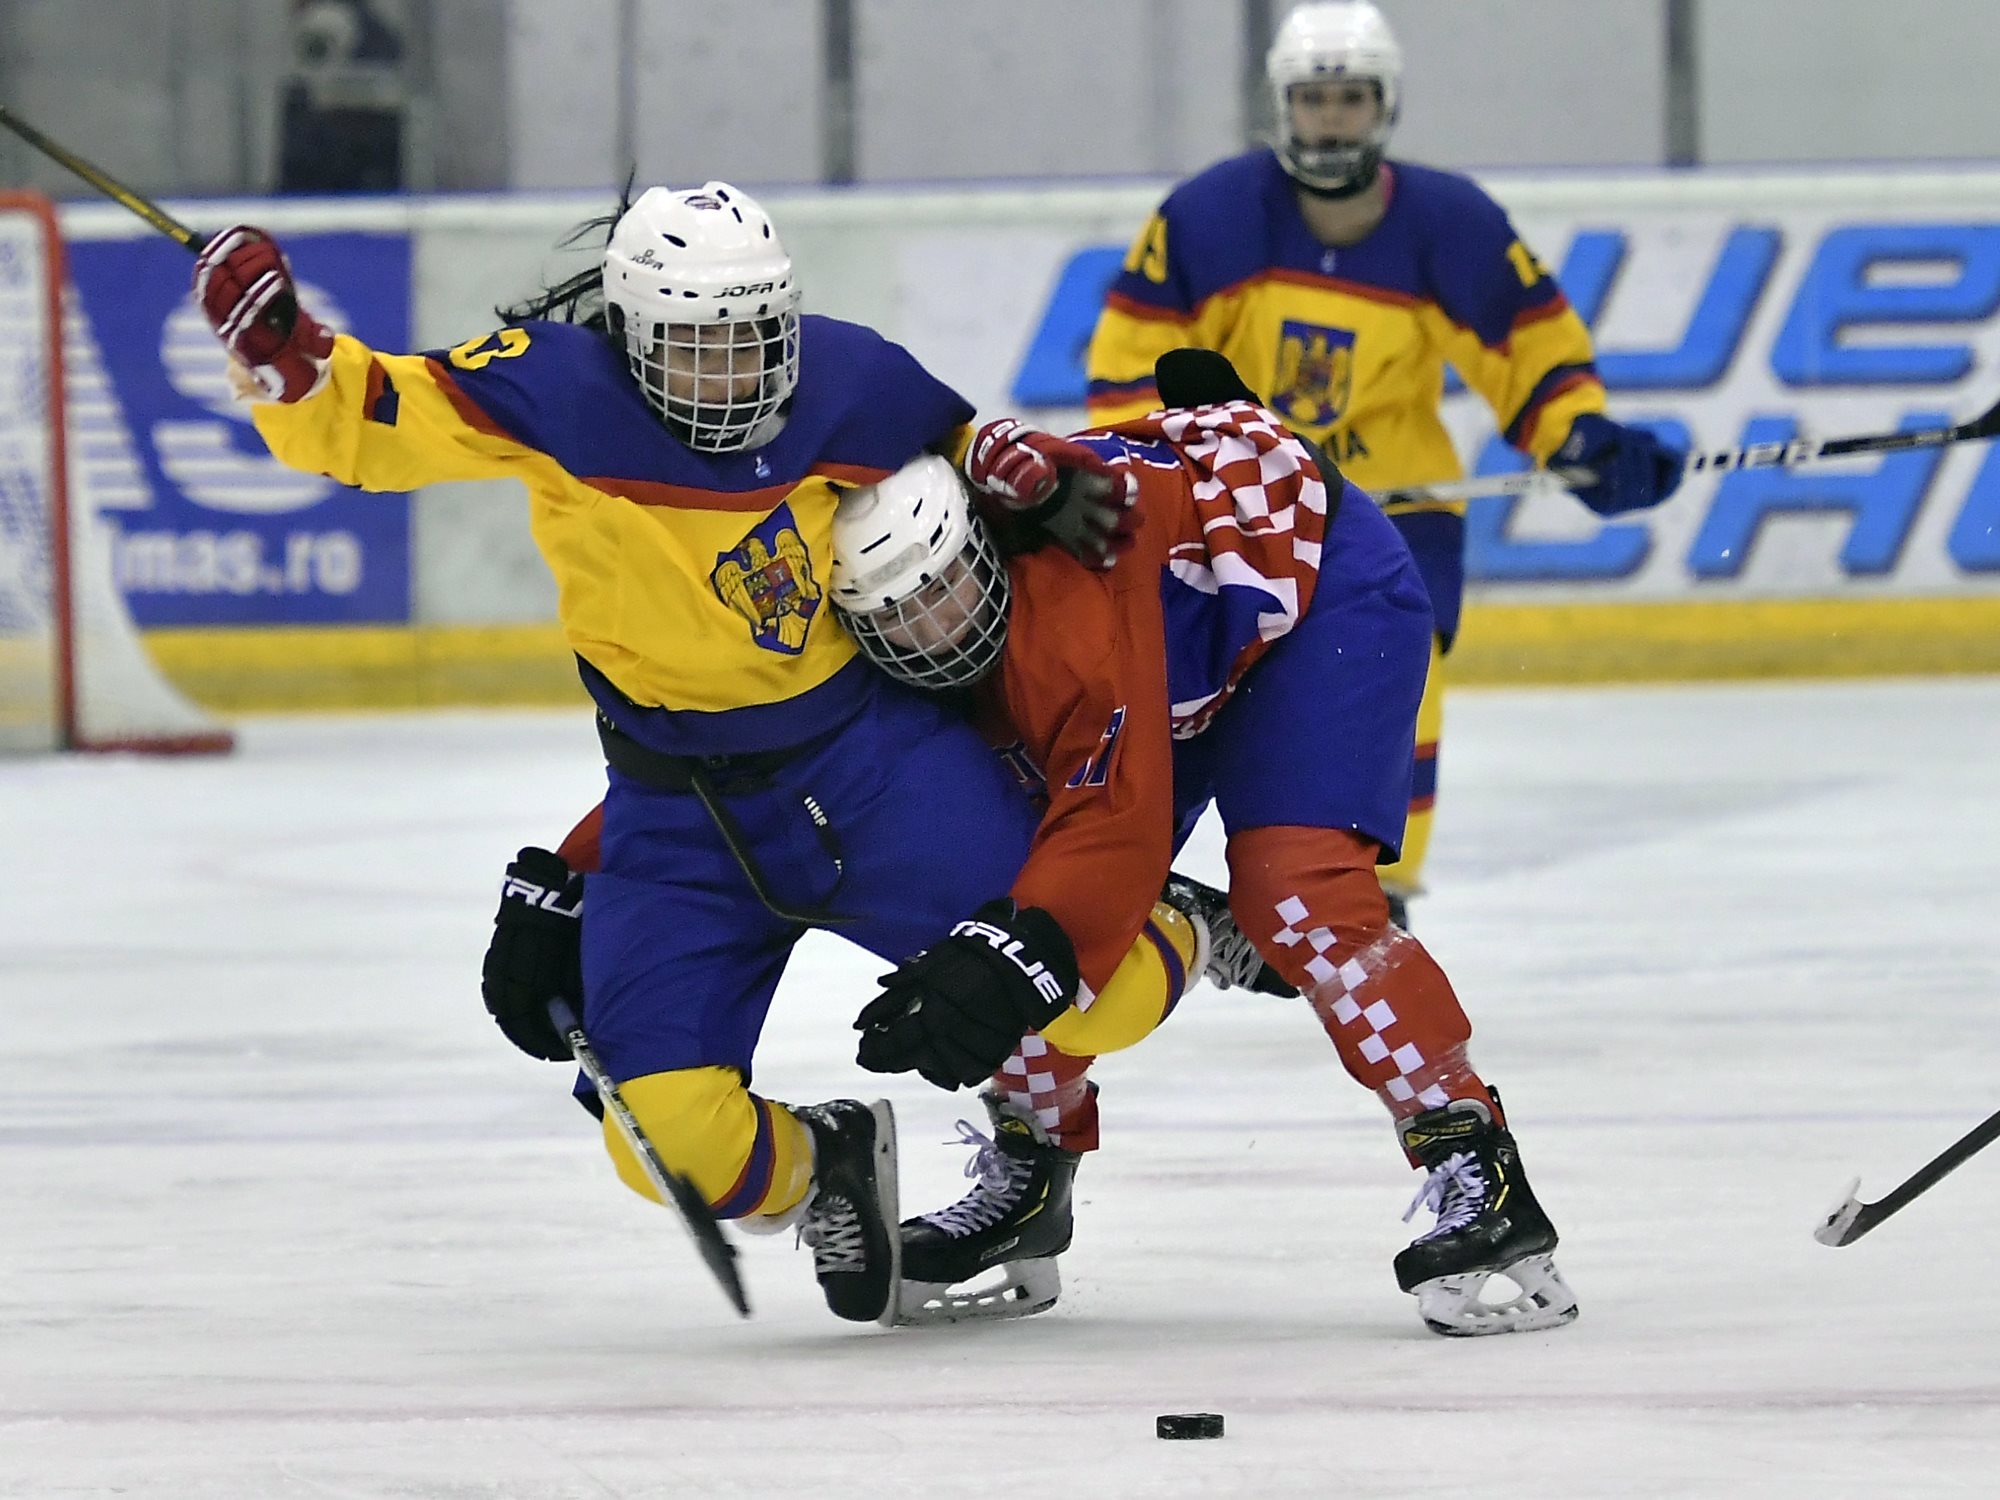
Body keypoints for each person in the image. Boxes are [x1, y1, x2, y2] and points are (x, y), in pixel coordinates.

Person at [190, 181, 1132, 1326]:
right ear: (629, 332)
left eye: (750, 342)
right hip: (677, 821)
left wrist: (1008, 456)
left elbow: (944, 431)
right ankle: (826, 1162)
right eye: (692, 348)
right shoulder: (550, 391)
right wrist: (289, 361)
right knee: (663, 1143)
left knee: (1097, 978)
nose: (729, 377)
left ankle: (1199, 924)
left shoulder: (842, 373)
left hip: (866, 767)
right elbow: (375, 413)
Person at [828, 356, 1578, 1336]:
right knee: (1000, 883)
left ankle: (1471, 1162)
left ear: (982, 541)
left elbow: (1114, 833)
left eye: (948, 591)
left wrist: (1045, 451)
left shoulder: (1070, 579)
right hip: (1171, 642)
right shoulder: (968, 582)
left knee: (1293, 893)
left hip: (1311, 600)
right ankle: (1031, 1167)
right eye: (896, 621)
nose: (937, 636)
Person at [1083, 0, 1685, 928]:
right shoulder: (1209, 217)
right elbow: (1130, 364)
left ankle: (1380, 878)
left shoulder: (1453, 223)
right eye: (1315, 99)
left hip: (1397, 505)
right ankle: (1121, 863)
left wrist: (1581, 439)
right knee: (1178, 676)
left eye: (1352, 98)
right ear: (1283, 105)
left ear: (1385, 105)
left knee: (1403, 670)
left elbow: (1531, 351)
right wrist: (1167, 475)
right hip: (1240, 506)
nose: (1332, 118)